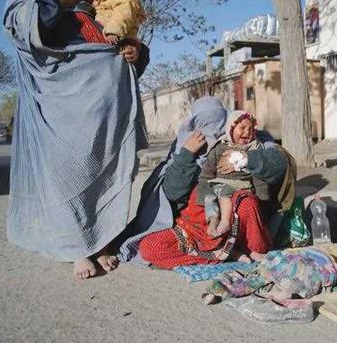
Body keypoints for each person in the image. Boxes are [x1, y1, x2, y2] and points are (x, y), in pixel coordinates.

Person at [3, 0, 149, 279]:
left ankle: (101, 242)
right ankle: (77, 249)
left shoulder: (95, 9)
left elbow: (119, 50)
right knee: (69, 178)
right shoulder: (32, 4)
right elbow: (26, 31)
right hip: (61, 119)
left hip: (106, 118)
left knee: (107, 179)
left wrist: (135, 53)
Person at [116, 96, 296, 268]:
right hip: (194, 230)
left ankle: (244, 249)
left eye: (217, 123)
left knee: (246, 203)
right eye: (202, 123)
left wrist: (245, 158)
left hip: (236, 223)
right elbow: (173, 193)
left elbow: (280, 164)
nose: (210, 131)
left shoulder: (250, 137)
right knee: (150, 248)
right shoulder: (185, 145)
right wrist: (186, 155)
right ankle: (221, 255)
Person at [197, 111, 267, 240]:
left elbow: (259, 175)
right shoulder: (219, 147)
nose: (247, 132)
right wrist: (201, 198)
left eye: (251, 129)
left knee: (225, 192)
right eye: (242, 128)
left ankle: (225, 221)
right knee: (208, 194)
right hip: (218, 183)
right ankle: (213, 218)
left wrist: (262, 197)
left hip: (240, 184)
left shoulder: (255, 150)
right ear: (230, 129)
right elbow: (207, 173)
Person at [80, 0, 146, 45]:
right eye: (90, 0)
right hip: (111, 41)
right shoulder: (95, 10)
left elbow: (124, 11)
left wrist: (113, 30)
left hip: (120, 35)